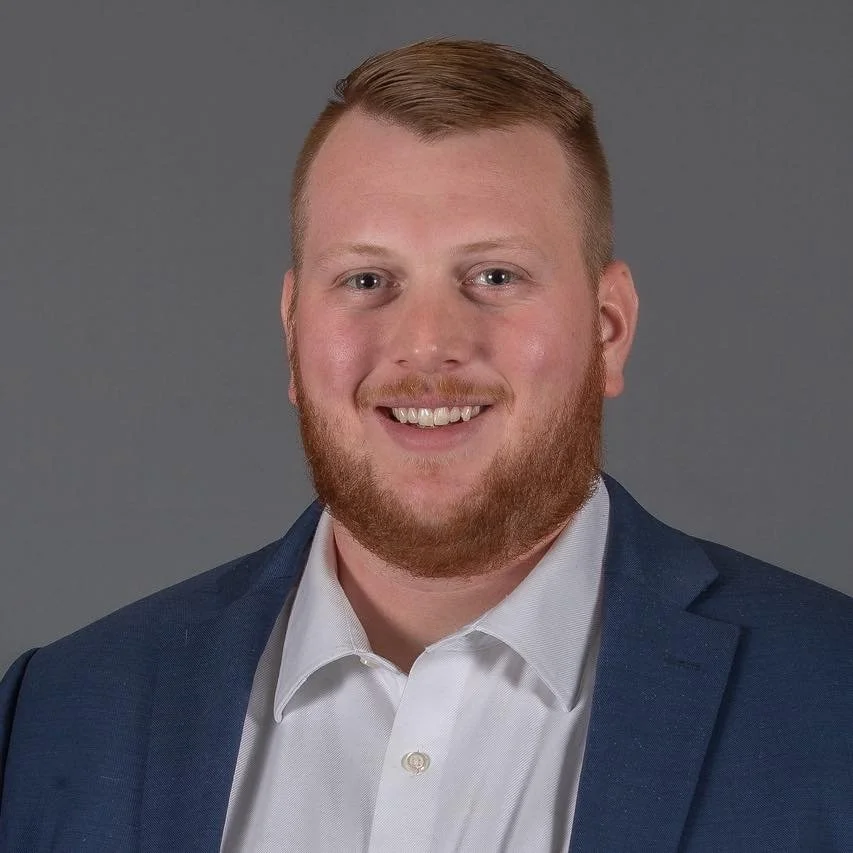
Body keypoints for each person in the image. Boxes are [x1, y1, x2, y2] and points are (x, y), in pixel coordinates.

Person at [0, 38, 850, 853]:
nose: (427, 344)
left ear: (609, 328)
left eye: (494, 277)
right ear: (295, 332)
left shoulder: (829, 700)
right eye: (367, 280)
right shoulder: (55, 719)